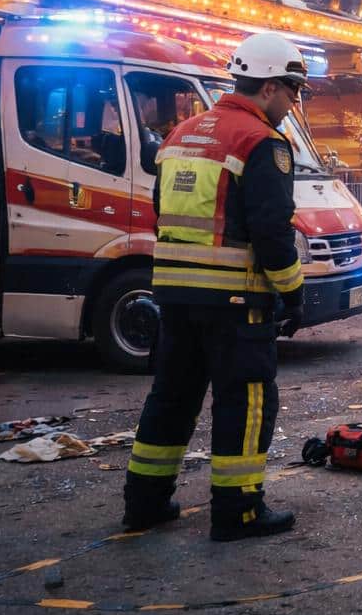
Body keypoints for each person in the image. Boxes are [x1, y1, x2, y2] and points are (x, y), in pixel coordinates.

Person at [125, 32, 308, 541]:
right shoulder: (262, 142)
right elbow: (272, 233)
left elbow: (165, 212)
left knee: (172, 396)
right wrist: (292, 292)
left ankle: (143, 503)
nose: (293, 103)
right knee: (245, 401)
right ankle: (239, 511)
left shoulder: (182, 134)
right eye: (292, 91)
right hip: (235, 300)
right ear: (269, 86)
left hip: (175, 295)